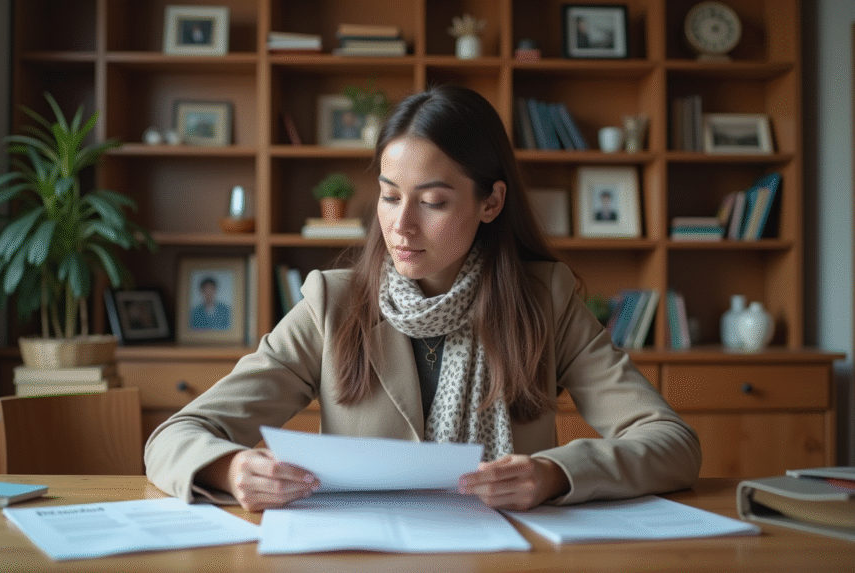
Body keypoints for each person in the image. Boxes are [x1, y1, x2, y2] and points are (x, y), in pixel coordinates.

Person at [145, 85, 701, 512]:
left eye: (432, 202)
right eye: (389, 197)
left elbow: (671, 443)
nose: (401, 226)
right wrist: (229, 469)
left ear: (490, 202)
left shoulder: (545, 299)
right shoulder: (331, 304)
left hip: (509, 556)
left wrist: (554, 474)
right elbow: (174, 437)